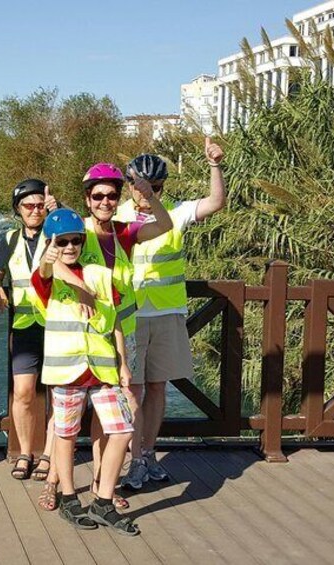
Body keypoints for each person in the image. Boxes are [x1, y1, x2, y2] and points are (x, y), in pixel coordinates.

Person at [115, 141, 226, 491]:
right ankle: (134, 460)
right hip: (131, 317)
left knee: (157, 387)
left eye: (156, 187)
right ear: (129, 185)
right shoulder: (117, 216)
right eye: (140, 186)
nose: (146, 193)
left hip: (167, 313)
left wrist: (214, 166)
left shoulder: (175, 213)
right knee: (132, 391)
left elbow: (216, 203)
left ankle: (148, 454)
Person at [33, 208, 139, 536]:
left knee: (122, 430)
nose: (69, 247)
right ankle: (68, 497)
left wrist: (123, 362)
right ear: (51, 243)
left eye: (75, 241)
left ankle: (103, 501)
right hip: (67, 371)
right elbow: (45, 270)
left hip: (103, 369)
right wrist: (53, 260)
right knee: (65, 435)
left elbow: (116, 319)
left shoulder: (100, 273)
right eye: (62, 241)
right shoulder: (46, 275)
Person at [75, 163, 172, 505]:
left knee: (112, 411)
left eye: (112, 195)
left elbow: (165, 224)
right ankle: (63, 481)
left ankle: (104, 482)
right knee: (85, 410)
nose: (105, 201)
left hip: (121, 334)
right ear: (87, 199)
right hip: (86, 336)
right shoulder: (78, 231)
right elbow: (50, 262)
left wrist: (148, 195)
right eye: (98, 195)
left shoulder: (124, 233)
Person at [0, 179, 59, 480]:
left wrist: (60, 212)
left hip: (57, 324)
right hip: (24, 326)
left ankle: (50, 455)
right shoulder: (10, 238)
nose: (35, 210)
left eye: (40, 205)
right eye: (28, 206)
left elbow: (80, 244)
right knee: (23, 393)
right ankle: (25, 453)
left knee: (60, 395)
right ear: (18, 209)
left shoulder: (58, 234)